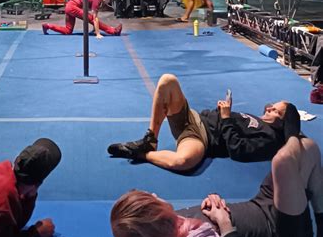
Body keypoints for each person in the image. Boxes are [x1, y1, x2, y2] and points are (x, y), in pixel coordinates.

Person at [111, 115, 319, 237]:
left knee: (308, 148)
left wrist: (211, 205)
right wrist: (225, 225)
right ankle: (291, 134)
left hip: (261, 203)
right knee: (287, 157)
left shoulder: (164, 228)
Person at [108, 72, 294, 172]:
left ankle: (142, 154)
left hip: (202, 138)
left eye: (275, 110)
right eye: (270, 106)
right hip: (194, 117)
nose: (268, 108)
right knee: (167, 80)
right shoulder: (258, 120)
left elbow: (238, 150)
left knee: (183, 161)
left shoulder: (269, 139)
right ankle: (151, 140)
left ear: (282, 122)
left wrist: (226, 117)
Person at [42, 0, 122, 37]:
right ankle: (113, 31)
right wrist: (98, 33)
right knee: (91, 18)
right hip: (72, 7)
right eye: (109, 0)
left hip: (69, 6)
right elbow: (94, 19)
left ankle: (48, 26)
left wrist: (95, 28)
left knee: (68, 30)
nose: (109, 2)